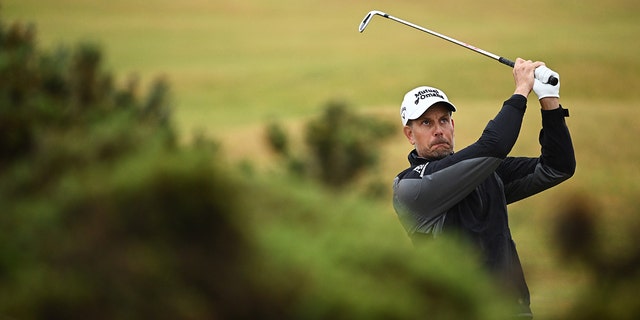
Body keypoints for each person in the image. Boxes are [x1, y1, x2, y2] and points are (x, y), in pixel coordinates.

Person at [392, 58, 576, 318]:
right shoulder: (412, 187)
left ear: (452, 126)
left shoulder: (486, 173)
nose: (438, 130)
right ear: (409, 135)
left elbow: (558, 167)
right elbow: (493, 146)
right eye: (426, 123)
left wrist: (549, 101)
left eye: (444, 120)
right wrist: (522, 89)